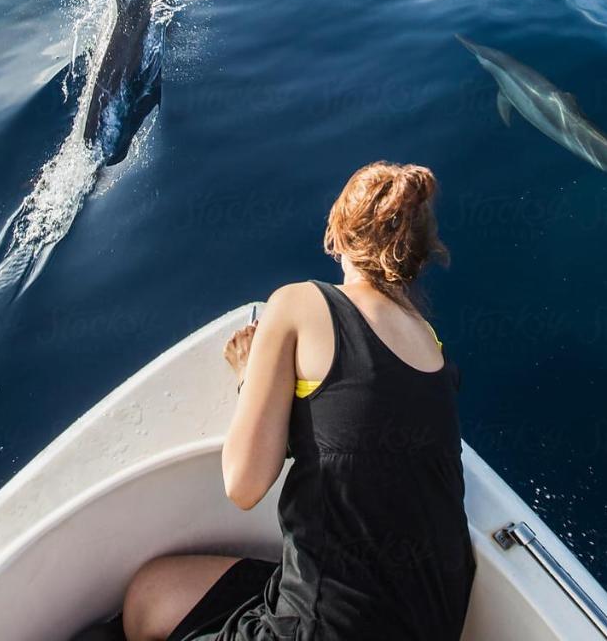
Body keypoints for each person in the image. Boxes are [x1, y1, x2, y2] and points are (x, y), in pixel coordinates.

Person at [116, 161, 475, 641]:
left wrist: (251, 380)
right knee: (155, 593)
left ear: (338, 234)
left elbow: (242, 486)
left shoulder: (302, 303)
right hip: (426, 619)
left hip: (324, 628)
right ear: (421, 254)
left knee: (144, 602)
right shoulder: (432, 348)